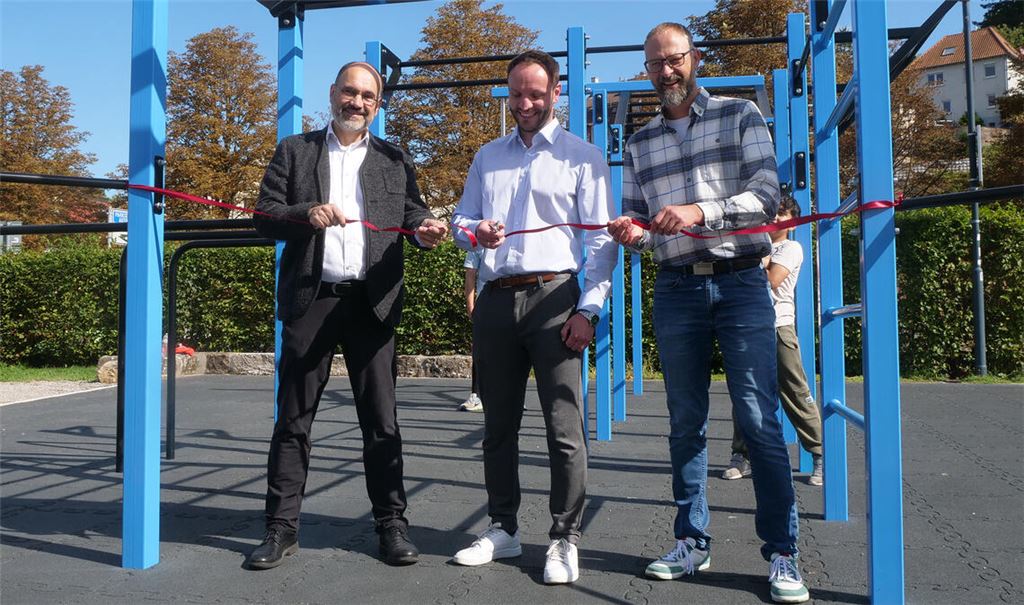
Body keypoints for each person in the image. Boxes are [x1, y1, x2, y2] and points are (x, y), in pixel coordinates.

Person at [607, 22, 809, 604]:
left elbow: (766, 196)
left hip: (742, 281)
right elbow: (642, 226)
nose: (665, 71)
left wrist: (700, 211)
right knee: (684, 422)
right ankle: (691, 541)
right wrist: (631, 233)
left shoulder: (740, 115)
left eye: (674, 59)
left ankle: (782, 552)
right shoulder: (639, 142)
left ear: (694, 59)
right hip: (677, 288)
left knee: (758, 418)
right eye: (655, 64)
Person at [245, 61, 448, 570]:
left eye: (368, 97)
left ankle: (391, 525)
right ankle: (280, 528)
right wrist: (305, 213)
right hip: (310, 300)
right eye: (350, 92)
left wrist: (426, 228)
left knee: (381, 422)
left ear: (377, 105)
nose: (357, 103)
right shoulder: (295, 150)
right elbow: (264, 215)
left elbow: (412, 213)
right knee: (293, 419)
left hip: (372, 303)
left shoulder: (394, 158)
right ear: (332, 92)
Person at [449, 50, 616, 585]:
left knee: (564, 428)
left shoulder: (583, 157)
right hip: (497, 299)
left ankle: (565, 537)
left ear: (555, 93)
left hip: (556, 298)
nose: (525, 103)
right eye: (517, 93)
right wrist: (475, 232)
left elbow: (601, 242)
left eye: (536, 94)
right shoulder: (487, 157)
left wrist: (589, 309)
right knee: (498, 427)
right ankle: (503, 528)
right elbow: (460, 221)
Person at [723, 197, 824, 487]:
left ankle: (819, 453)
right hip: (749, 326)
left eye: (782, 214)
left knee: (794, 390)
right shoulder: (756, 244)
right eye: (773, 213)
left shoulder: (790, 248)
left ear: (792, 222)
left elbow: (771, 279)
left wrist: (757, 262)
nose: (776, 218)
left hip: (778, 326)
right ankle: (741, 455)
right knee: (745, 392)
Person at [458, 248, 485, 412]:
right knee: (480, 351)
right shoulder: (478, 242)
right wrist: (471, 307)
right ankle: (476, 395)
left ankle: (514, 396)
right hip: (486, 302)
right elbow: (470, 274)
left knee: (512, 351)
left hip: (513, 301)